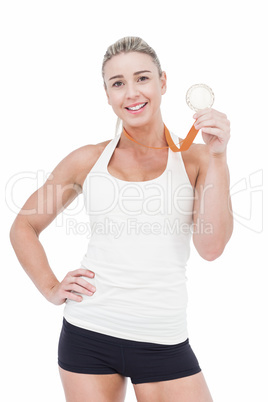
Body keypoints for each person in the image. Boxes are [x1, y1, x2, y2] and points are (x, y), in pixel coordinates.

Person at [10, 36, 233, 402]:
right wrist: (50, 287)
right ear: (108, 94)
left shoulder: (198, 158)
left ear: (162, 82)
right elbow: (23, 226)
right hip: (88, 335)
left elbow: (211, 248)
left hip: (163, 340)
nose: (131, 93)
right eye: (118, 83)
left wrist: (220, 158)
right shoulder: (87, 160)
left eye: (142, 78)